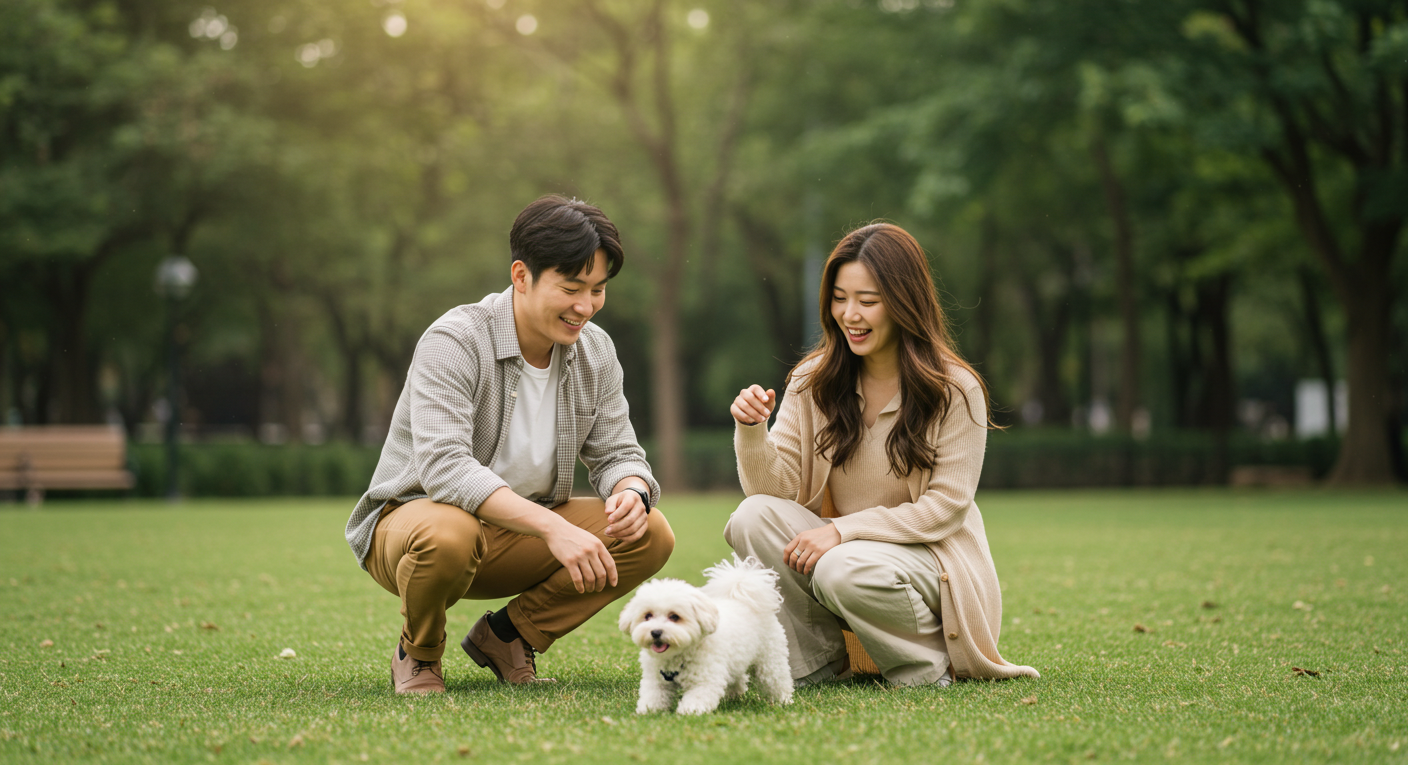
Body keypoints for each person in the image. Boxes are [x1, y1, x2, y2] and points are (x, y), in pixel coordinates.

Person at [345, 195, 674, 694]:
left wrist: (632, 490)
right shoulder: (454, 340)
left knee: (650, 531)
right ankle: (420, 652)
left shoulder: (596, 350)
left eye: (598, 289)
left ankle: (508, 637)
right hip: (417, 528)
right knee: (450, 532)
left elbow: (617, 452)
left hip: (520, 535)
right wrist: (553, 528)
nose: (585, 307)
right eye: (571, 288)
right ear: (522, 276)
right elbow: (444, 468)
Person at [725, 223, 1038, 687]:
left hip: (931, 560)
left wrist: (843, 531)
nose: (849, 314)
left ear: (904, 301)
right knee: (752, 517)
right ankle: (817, 664)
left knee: (840, 565)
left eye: (867, 301)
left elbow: (946, 508)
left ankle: (925, 668)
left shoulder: (955, 389)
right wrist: (752, 431)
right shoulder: (812, 380)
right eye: (839, 298)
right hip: (848, 557)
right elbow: (775, 490)